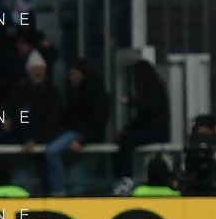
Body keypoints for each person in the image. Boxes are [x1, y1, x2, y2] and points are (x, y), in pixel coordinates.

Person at [44, 59, 108, 196]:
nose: (71, 77)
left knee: (52, 151)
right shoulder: (72, 91)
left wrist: (83, 141)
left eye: (74, 74)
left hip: (81, 133)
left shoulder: (94, 94)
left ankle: (59, 190)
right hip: (73, 131)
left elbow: (97, 122)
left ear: (81, 74)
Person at [112, 60, 170, 196]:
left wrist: (133, 102)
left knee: (125, 143)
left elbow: (148, 111)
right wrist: (127, 130)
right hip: (153, 130)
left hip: (156, 132)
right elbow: (143, 117)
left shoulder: (153, 89)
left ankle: (126, 178)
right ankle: (124, 178)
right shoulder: (153, 88)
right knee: (123, 142)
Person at [178, 115, 216, 196]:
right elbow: (177, 176)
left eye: (207, 132)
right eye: (200, 132)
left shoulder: (213, 153)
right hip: (188, 194)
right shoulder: (185, 155)